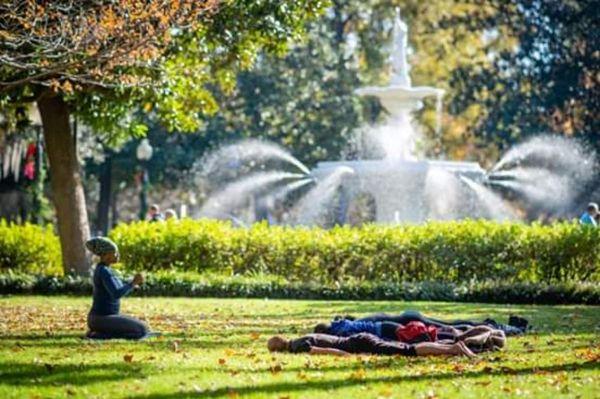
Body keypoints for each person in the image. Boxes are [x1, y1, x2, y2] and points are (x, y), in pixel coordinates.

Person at [85, 237, 151, 340]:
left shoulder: (105, 269)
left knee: (144, 328)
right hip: (102, 318)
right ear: (106, 255)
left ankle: (99, 333)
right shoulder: (104, 271)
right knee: (141, 330)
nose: (117, 255)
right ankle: (98, 335)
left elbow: (118, 286)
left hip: (102, 319)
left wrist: (132, 282)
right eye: (114, 253)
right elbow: (116, 293)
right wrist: (133, 283)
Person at [314, 320, 506, 352]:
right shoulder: (341, 324)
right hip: (398, 328)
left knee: (457, 335)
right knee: (456, 332)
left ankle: (489, 331)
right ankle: (489, 332)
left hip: (402, 331)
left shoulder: (339, 332)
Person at [267, 332, 476, 357]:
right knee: (407, 348)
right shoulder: (300, 338)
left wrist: (346, 357)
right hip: (361, 338)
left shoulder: (297, 347)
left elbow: (325, 350)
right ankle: (452, 345)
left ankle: (454, 348)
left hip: (359, 344)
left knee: (409, 351)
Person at [341, 310, 527, 336]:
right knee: (452, 324)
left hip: (411, 321)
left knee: (453, 328)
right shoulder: (362, 320)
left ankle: (506, 328)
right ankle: (499, 325)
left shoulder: (356, 327)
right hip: (411, 317)